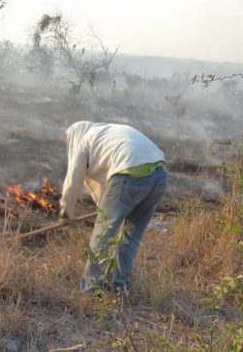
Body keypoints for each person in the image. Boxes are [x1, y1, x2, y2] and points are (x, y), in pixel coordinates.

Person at [59, 121, 167, 293]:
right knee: (131, 235)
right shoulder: (110, 132)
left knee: (102, 235)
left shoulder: (84, 141)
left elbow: (73, 181)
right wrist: (107, 207)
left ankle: (90, 289)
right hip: (159, 177)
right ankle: (118, 285)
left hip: (128, 177)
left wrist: (66, 212)